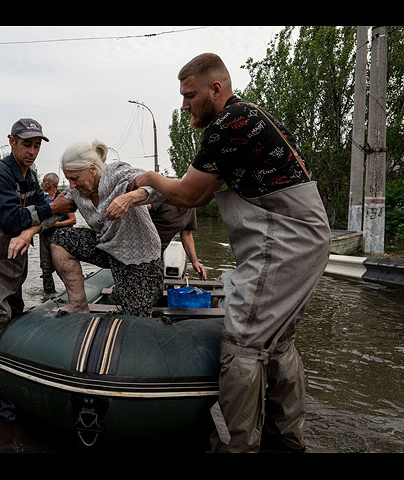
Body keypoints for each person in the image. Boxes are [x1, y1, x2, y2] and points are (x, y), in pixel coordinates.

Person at [132, 53, 331, 453]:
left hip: (284, 240)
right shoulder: (246, 118)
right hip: (303, 237)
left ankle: (238, 447)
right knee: (278, 340)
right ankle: (286, 443)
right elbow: (203, 196)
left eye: (190, 95)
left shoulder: (227, 124)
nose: (184, 104)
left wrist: (150, 179)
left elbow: (187, 193)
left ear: (216, 89)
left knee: (242, 343)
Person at [0, 118, 75, 423]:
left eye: (36, 145)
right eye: (26, 144)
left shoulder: (30, 177)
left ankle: (0, 380)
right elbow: (11, 219)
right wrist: (51, 209)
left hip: (7, 257)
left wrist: (32, 227)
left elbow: (30, 218)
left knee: (13, 313)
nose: (32, 150)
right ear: (11, 141)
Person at [50, 140, 163, 317]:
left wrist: (130, 198)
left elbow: (160, 187)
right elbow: (51, 213)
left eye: (74, 178)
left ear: (92, 169)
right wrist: (26, 234)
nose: (71, 185)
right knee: (61, 239)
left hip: (138, 255)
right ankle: (78, 304)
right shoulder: (77, 192)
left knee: (133, 318)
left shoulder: (116, 173)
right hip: (106, 248)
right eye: (68, 179)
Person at [148, 202, 207, 280]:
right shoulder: (163, 196)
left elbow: (186, 233)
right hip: (138, 251)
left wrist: (195, 262)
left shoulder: (191, 208)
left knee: (156, 287)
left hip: (157, 254)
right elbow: (143, 206)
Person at [39, 172, 76, 294]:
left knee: (62, 267)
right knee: (45, 268)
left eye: (44, 181)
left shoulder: (62, 198)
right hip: (44, 236)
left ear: (50, 184)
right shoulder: (43, 200)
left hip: (59, 237)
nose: (42, 183)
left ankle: (72, 293)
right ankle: (48, 295)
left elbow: (73, 220)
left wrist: (56, 224)